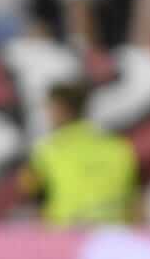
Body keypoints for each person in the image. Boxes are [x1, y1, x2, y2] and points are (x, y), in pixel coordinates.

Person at [18, 80, 140, 226]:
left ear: (61, 109)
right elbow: (135, 198)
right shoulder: (117, 146)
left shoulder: (47, 151)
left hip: (67, 231)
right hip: (114, 230)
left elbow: (27, 186)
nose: (47, 115)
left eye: (49, 108)